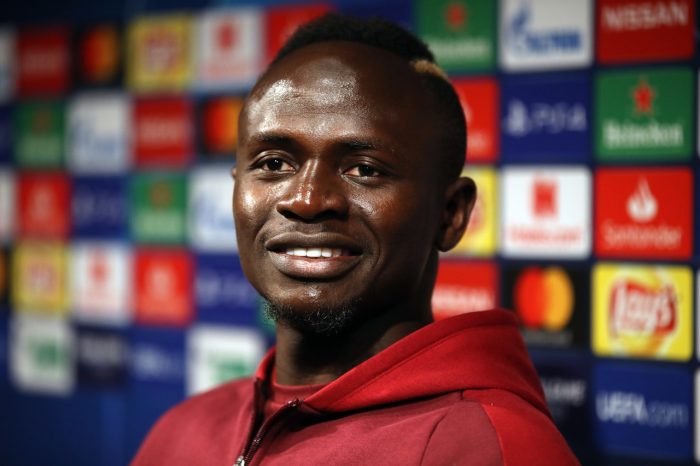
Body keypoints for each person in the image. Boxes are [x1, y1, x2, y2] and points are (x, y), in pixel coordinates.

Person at [132, 14, 579, 466]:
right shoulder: (181, 432)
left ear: (451, 214)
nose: (306, 200)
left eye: (364, 169)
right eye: (273, 164)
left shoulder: (489, 448)